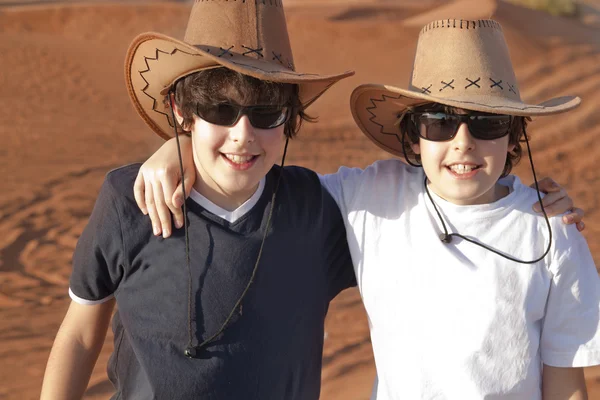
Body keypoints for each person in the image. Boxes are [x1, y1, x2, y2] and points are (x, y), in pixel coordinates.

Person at [134, 19, 599, 399]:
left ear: (514, 136)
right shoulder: (371, 197)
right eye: (439, 122)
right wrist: (176, 148)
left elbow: (567, 384)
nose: (463, 141)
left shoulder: (553, 233)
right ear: (413, 136)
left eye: (487, 122)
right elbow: (249, 173)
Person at [40, 2, 356, 399]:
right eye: (220, 110)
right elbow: (81, 335)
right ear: (182, 110)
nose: (243, 134)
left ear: (289, 118)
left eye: (266, 113)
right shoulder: (130, 200)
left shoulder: (315, 210)